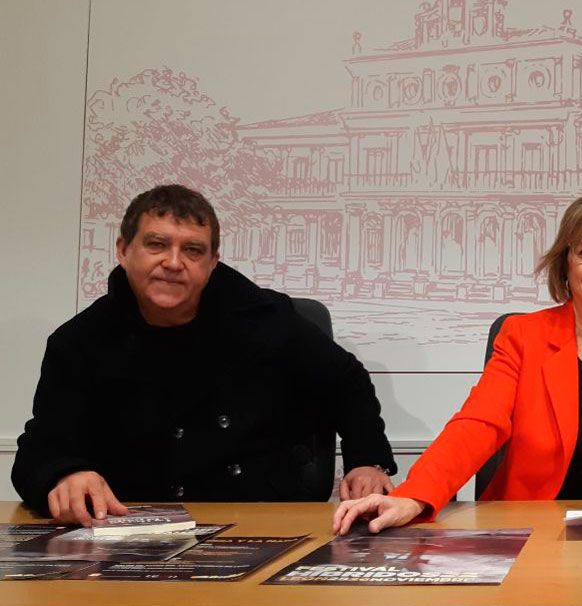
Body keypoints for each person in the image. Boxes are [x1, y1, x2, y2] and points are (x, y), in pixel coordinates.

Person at [12, 184, 397, 525]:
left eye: (192, 250)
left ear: (213, 263)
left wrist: (367, 460)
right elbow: (41, 446)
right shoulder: (79, 341)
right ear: (123, 250)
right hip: (133, 529)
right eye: (156, 244)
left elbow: (346, 381)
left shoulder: (264, 319)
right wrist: (65, 473)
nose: (174, 263)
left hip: (262, 521)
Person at [334, 191, 582, 534]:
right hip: (532, 529)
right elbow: (478, 423)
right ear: (566, 265)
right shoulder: (523, 335)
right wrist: (414, 495)